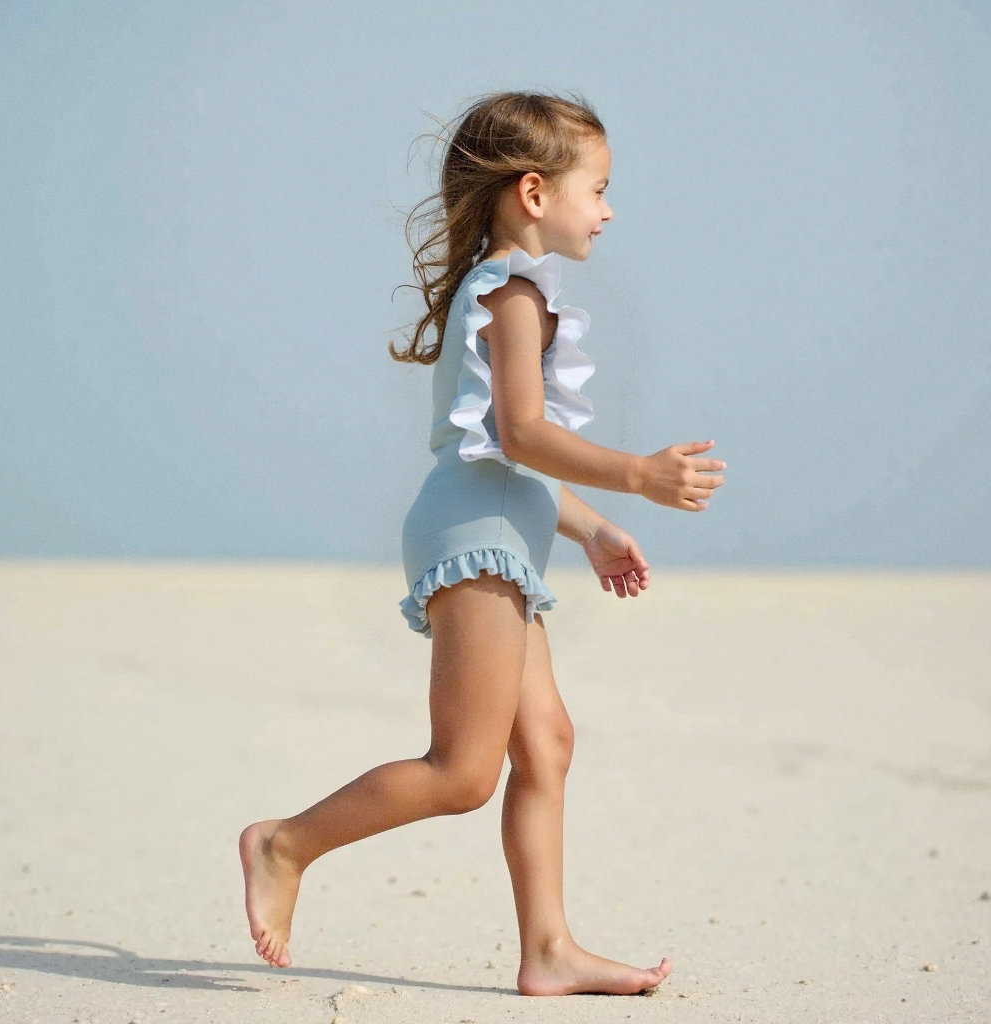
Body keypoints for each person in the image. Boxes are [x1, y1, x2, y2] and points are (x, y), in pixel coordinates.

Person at [240, 91, 726, 996]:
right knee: (462, 772)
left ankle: (548, 951)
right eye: (602, 188)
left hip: (495, 524)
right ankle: (283, 843)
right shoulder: (513, 289)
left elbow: (496, 453)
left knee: (545, 744)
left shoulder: (507, 285)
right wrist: (637, 474)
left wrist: (589, 528)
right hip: (479, 537)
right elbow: (519, 434)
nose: (611, 209)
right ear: (535, 192)